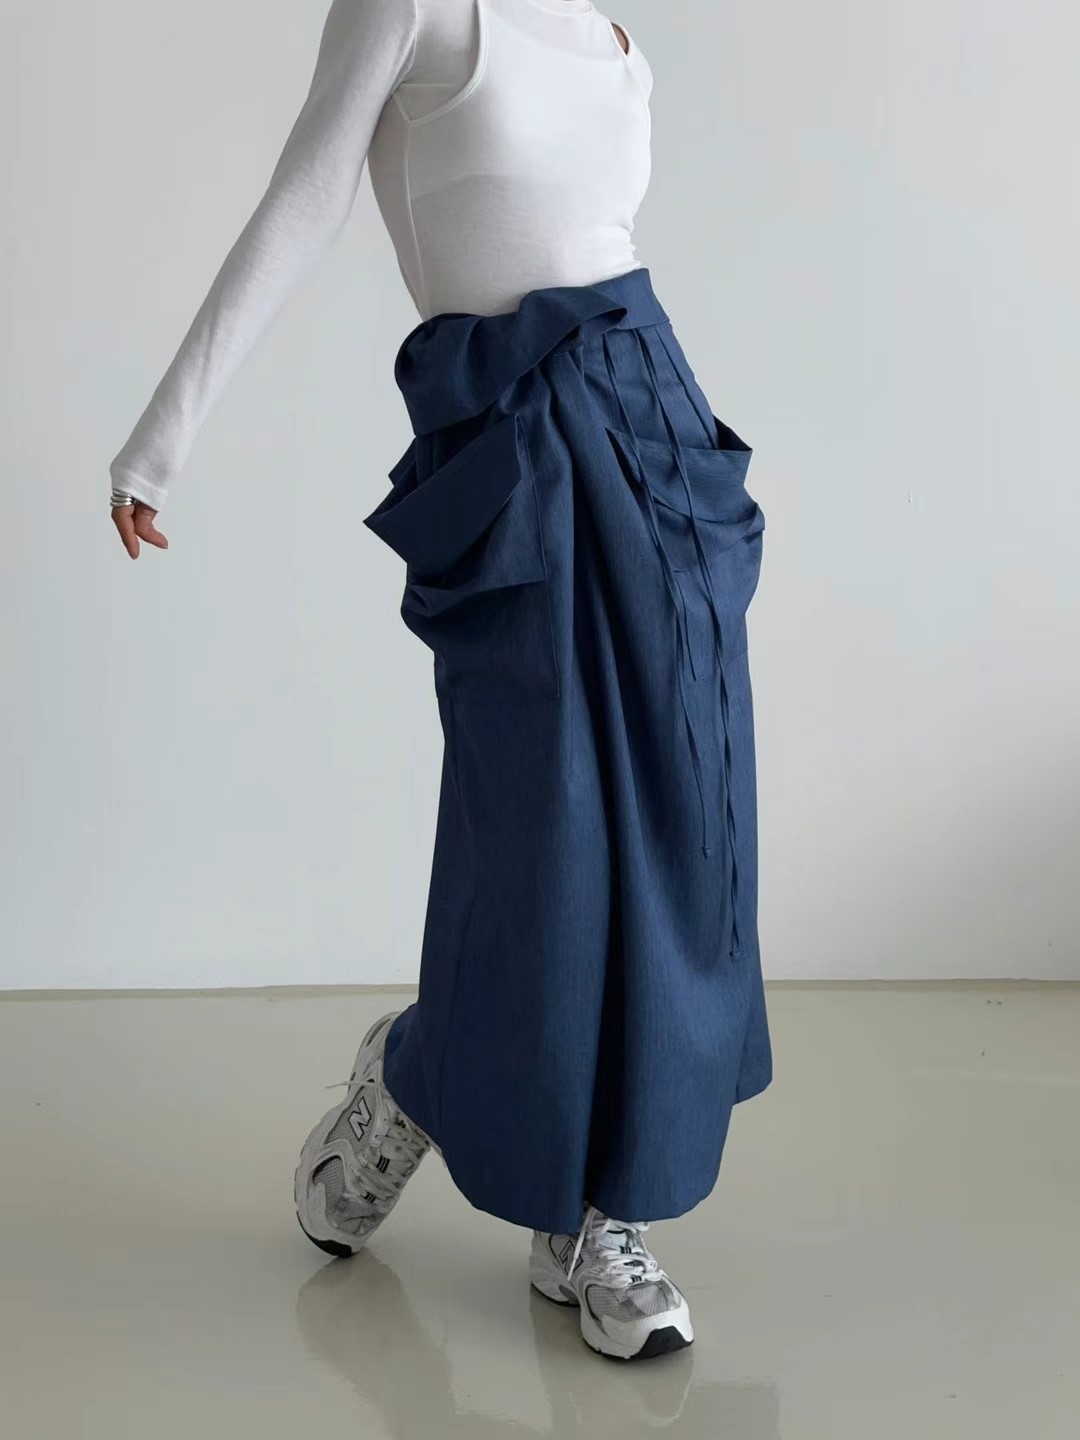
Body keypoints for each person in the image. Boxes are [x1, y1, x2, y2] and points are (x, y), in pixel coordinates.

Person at [110, 0, 771, 1363]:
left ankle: (601, 1214)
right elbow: (303, 202)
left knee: (689, 836)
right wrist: (160, 439)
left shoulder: (603, 26)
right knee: (543, 847)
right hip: (512, 442)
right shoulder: (412, 6)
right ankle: (414, 1079)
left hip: (649, 414)